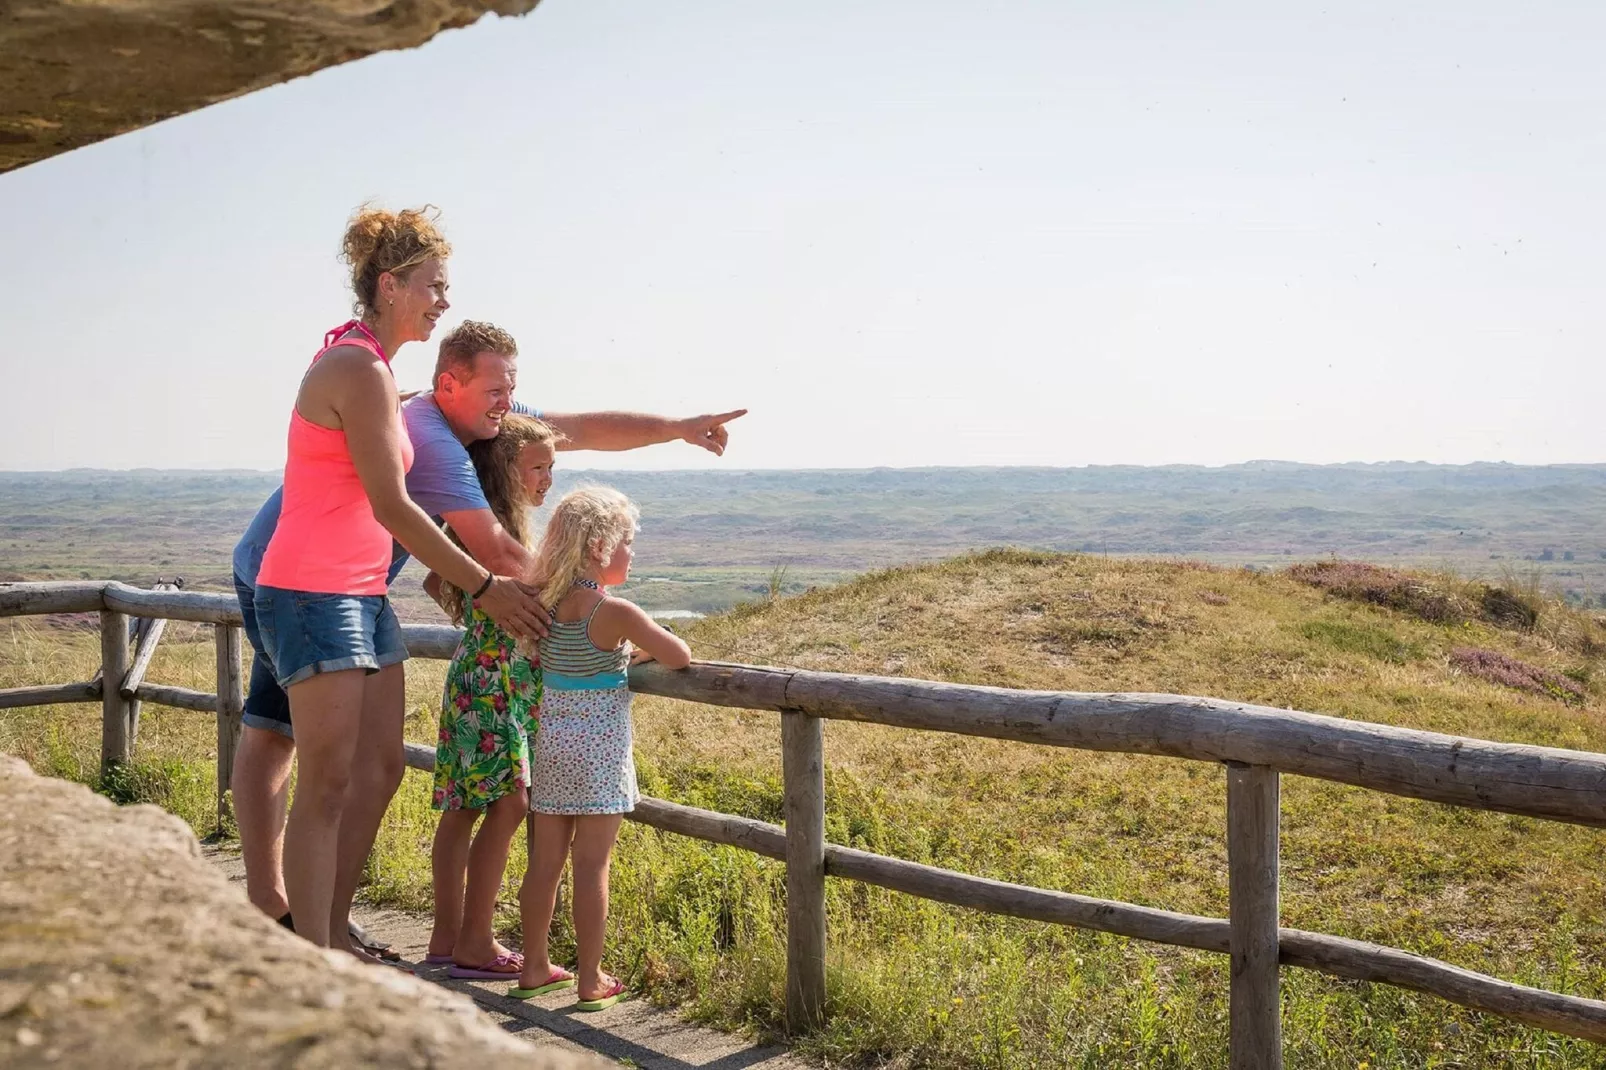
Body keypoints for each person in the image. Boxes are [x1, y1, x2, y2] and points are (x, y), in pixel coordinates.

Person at [232, 305, 746, 957]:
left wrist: (679, 428)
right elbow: (499, 557)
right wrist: (586, 605)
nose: (507, 401)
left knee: (347, 757)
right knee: (280, 736)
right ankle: (280, 911)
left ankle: (315, 923)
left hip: (348, 583)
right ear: (449, 383)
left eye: (511, 387)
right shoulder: (431, 431)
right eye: (495, 389)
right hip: (285, 574)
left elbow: (583, 428)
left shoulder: (486, 419)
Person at [251, 205, 546, 951]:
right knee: (324, 786)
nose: (443, 302)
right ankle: (313, 958)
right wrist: (484, 585)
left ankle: (332, 937)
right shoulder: (355, 367)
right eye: (433, 286)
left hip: (359, 592)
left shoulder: (373, 368)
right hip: (314, 592)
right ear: (389, 285)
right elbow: (392, 504)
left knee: (379, 769)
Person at [512, 487, 691, 1009]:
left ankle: (535, 966)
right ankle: (590, 979)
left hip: (553, 751)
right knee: (591, 867)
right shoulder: (614, 613)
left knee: (543, 865)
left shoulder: (544, 604)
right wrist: (631, 651)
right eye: (627, 543)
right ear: (598, 546)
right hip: (599, 758)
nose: (631, 553)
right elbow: (678, 655)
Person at [424, 415, 562, 979]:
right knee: (509, 804)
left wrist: (474, 610)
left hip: (472, 671)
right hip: (500, 676)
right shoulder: (503, 538)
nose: (547, 479)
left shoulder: (472, 527)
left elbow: (436, 581)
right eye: (538, 467)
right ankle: (475, 943)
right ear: (506, 470)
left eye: (552, 467)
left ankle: (446, 937)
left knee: (462, 809)